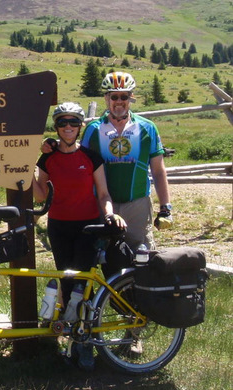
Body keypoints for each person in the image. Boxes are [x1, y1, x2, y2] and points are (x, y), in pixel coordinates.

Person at [33, 101, 126, 371]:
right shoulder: (47, 158)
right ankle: (77, 337)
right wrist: (25, 170)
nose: (68, 127)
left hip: (88, 226)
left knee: (82, 285)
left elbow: (104, 194)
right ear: (57, 126)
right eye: (63, 122)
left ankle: (87, 340)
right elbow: (41, 195)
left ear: (81, 125)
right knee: (67, 281)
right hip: (59, 226)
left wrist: (109, 214)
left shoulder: (91, 157)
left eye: (74, 122)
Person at [42, 72, 173, 259]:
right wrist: (52, 144)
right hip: (102, 205)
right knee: (104, 257)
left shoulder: (147, 128)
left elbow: (159, 171)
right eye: (114, 96)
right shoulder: (94, 129)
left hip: (137, 203)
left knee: (141, 256)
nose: (119, 101)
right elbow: (75, 153)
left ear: (131, 98)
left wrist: (165, 207)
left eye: (124, 96)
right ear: (106, 98)